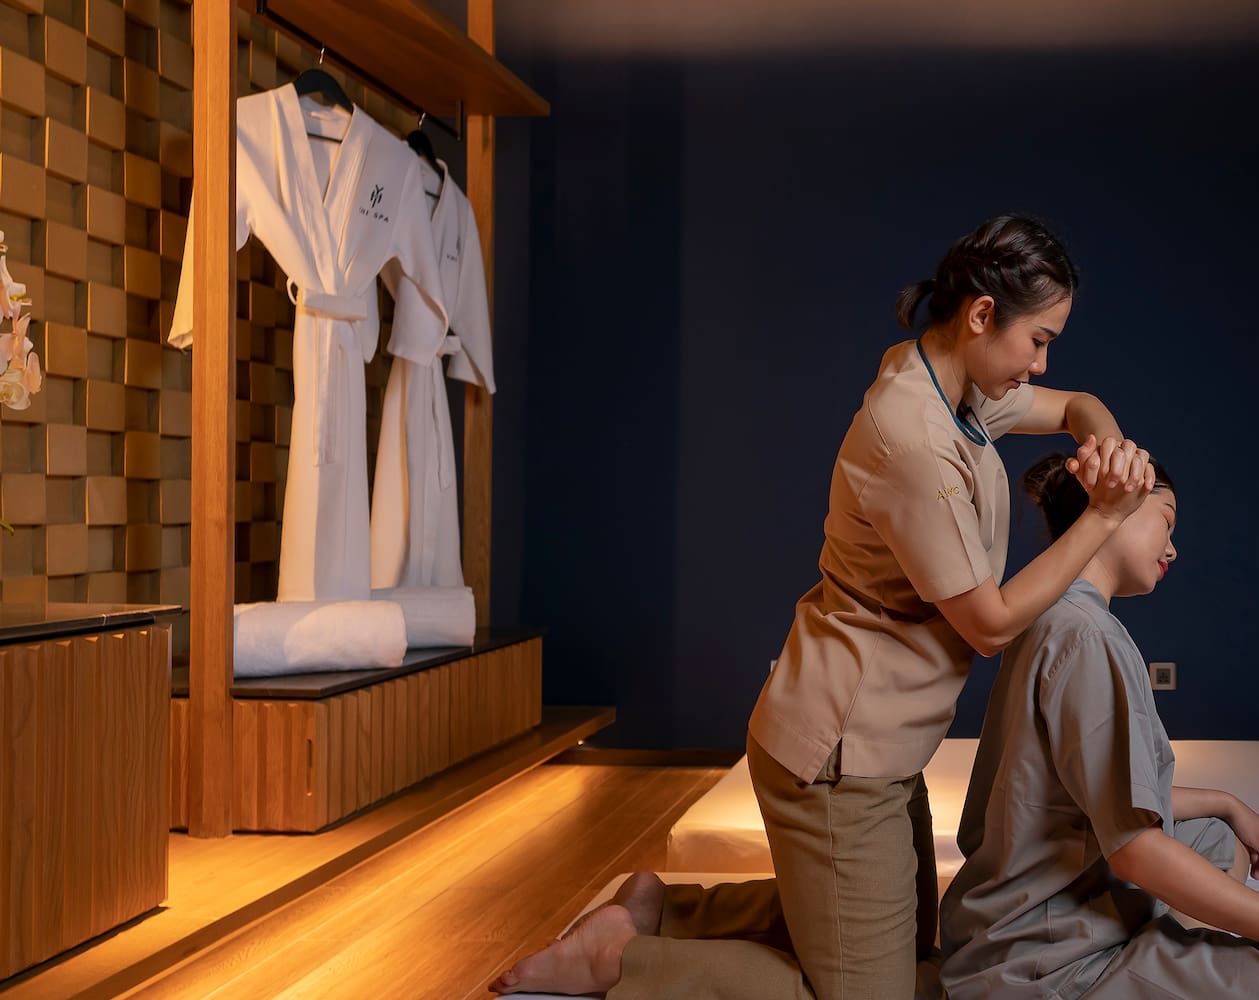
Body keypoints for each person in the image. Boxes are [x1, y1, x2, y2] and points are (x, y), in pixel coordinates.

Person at [494, 216, 1157, 999]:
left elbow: (1078, 403)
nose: (1043, 362)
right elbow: (989, 624)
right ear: (981, 314)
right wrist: (1103, 517)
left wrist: (1107, 444)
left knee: (908, 952)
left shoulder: (961, 388)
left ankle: (667, 913)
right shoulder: (911, 434)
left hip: (883, 744)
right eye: (1038, 340)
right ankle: (620, 962)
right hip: (840, 757)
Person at [937, 454, 1259, 1000]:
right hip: (1047, 966)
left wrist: (1226, 801)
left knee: (1221, 840)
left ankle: (1159, 959)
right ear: (1118, 510)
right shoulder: (1088, 638)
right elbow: (1134, 849)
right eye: (1167, 522)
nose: (1173, 548)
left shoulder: (1051, 614)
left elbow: (1098, 794)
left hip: (1021, 923)